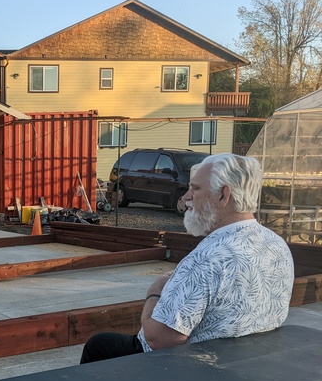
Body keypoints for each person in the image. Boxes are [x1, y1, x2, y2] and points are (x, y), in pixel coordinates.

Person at [80, 153, 294, 364]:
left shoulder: (208, 258)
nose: (186, 197)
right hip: (250, 361)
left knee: (98, 345)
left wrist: (155, 291)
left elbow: (159, 339)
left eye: (196, 188)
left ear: (223, 195)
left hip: (196, 368)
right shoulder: (276, 244)